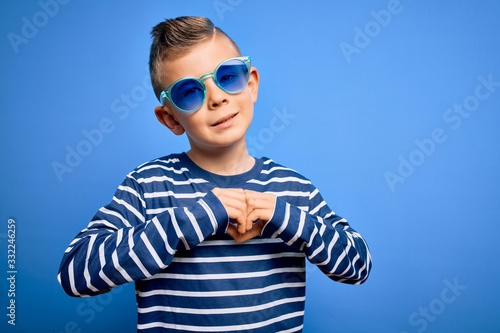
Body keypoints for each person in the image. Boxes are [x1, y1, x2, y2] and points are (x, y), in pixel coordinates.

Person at [58, 16, 372, 333]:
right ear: (170, 119)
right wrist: (199, 217)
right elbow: (75, 274)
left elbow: (358, 266)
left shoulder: (293, 190)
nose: (217, 97)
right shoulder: (148, 185)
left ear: (251, 84)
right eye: (190, 92)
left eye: (228, 76)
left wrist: (285, 217)